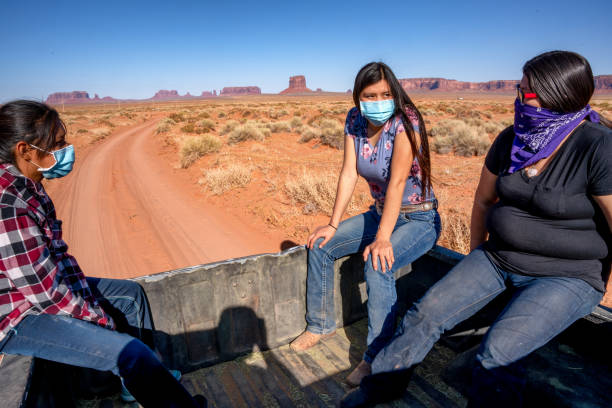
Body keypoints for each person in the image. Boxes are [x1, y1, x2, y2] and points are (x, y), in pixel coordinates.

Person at [340, 50, 612, 408]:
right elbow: (484, 201)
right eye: (519, 89)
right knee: (424, 314)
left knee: (498, 353)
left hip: (567, 275)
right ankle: (377, 391)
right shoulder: (511, 139)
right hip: (498, 258)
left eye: (527, 93)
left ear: (559, 94)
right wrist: (476, 257)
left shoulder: (597, 146)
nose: (520, 98)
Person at [0, 100, 207, 407]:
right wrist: (97, 317)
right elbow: (47, 296)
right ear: (25, 150)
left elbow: (56, 264)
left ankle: (139, 383)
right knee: (130, 352)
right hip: (19, 317)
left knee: (131, 295)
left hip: (41, 290)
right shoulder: (8, 206)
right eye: (56, 145)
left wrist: (87, 297)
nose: (64, 151)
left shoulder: (28, 184)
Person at [289, 62, 441, 386]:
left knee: (378, 265)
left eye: (386, 94)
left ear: (395, 93)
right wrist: (332, 223)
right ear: (358, 97)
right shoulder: (354, 120)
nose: (378, 100)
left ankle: (375, 358)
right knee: (322, 245)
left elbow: (398, 183)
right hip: (381, 212)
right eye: (370, 95)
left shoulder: (406, 122)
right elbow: (348, 172)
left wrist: (384, 237)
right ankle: (319, 325)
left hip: (418, 217)